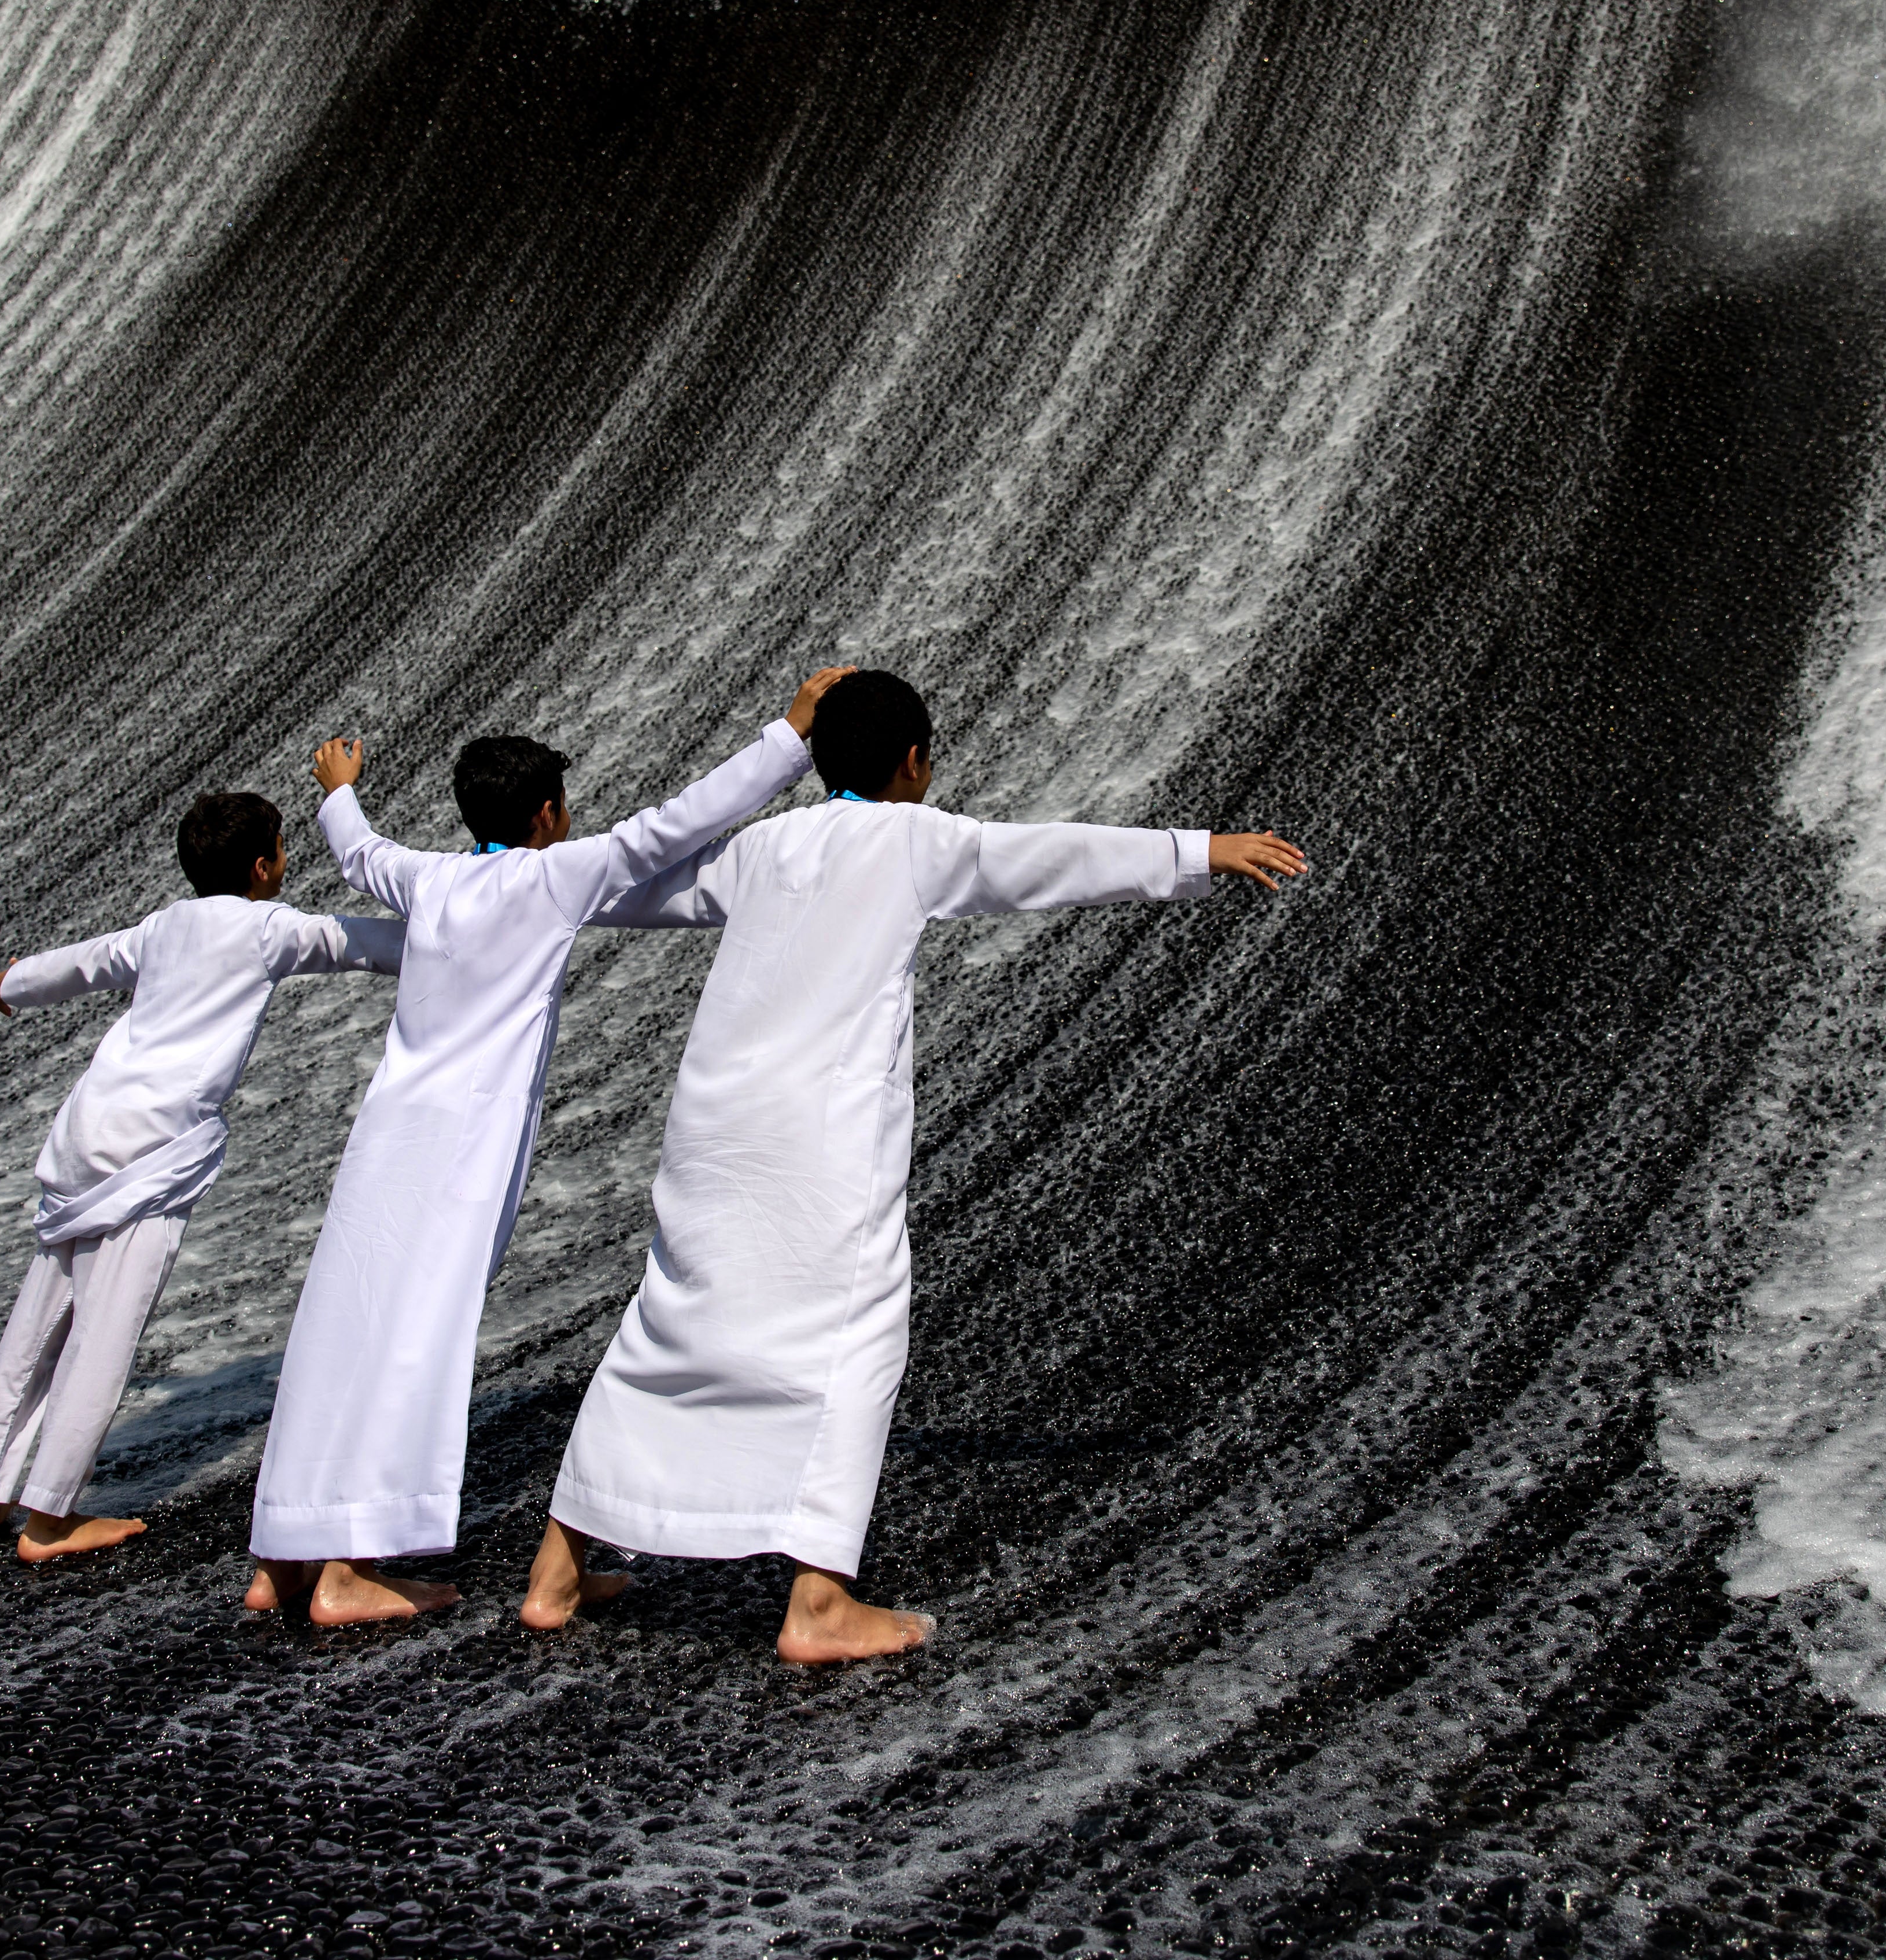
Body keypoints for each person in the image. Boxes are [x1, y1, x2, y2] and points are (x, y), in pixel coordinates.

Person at [521, 669, 1306, 1660]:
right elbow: (1047, 857)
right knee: (856, 1334)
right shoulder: (916, 839)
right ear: (914, 764)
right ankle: (817, 1603)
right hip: (820, 1137)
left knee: (665, 1323)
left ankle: (557, 1570)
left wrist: (526, 882)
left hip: (712, 1130)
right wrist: (1201, 851)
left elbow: (636, 889)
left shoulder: (761, 847)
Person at [242, 667, 857, 1625]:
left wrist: (336, 789)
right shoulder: (557, 875)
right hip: (461, 1155)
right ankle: (348, 1575)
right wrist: (791, 734)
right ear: (546, 817)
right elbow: (680, 823)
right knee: (413, 1340)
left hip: (384, 1140)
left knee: (345, 1321)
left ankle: (285, 1554)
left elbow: (361, 854)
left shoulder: (428, 876)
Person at [0, 791, 403, 1563]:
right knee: (103, 1336)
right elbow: (363, 944)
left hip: (85, 1132)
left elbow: (85, 963)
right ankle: (51, 1520)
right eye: (284, 850)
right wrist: (469, 922)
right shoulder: (272, 928)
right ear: (266, 868)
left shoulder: (164, 927)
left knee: (40, 1321)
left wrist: (11, 984)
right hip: (149, 1155)